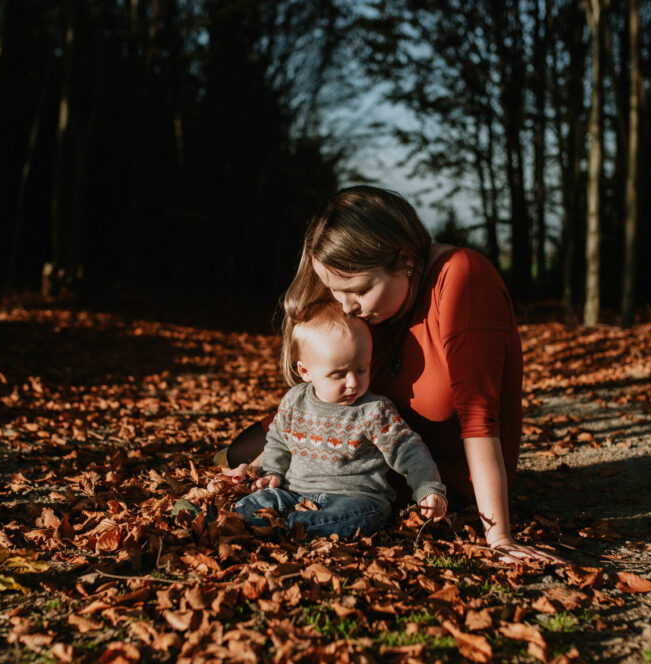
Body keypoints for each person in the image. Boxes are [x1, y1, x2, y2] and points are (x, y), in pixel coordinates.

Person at [221, 186, 566, 564]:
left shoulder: (462, 280)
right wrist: (257, 467)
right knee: (239, 451)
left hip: (421, 472)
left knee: (324, 505)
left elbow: (479, 416)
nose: (346, 307)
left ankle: (300, 521)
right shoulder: (379, 305)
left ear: (403, 259)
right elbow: (325, 396)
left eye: (359, 290)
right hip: (353, 442)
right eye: (337, 293)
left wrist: (499, 537)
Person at [233, 301, 448, 538]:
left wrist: (427, 487)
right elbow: (279, 441)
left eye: (361, 369)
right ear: (305, 372)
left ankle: (292, 528)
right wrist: (273, 471)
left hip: (356, 497)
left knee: (359, 515)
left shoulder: (374, 411)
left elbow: (408, 450)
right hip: (295, 493)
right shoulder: (295, 401)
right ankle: (244, 520)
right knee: (256, 501)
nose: (353, 383)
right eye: (339, 374)